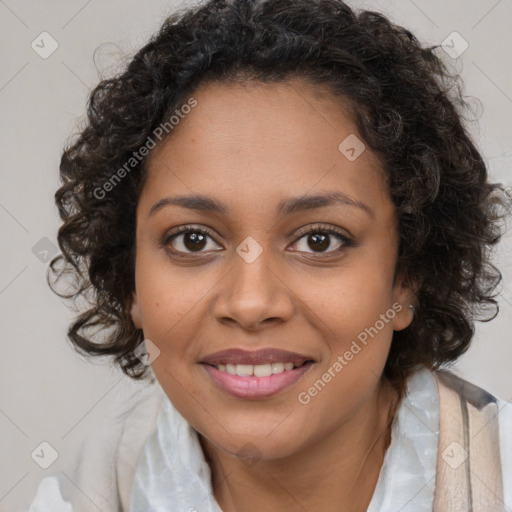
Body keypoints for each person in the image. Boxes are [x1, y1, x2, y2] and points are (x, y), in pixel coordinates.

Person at [26, 0, 512, 510]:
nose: (251, 303)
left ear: (406, 274)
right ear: (130, 281)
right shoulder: (84, 496)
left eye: (319, 240)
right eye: (193, 240)